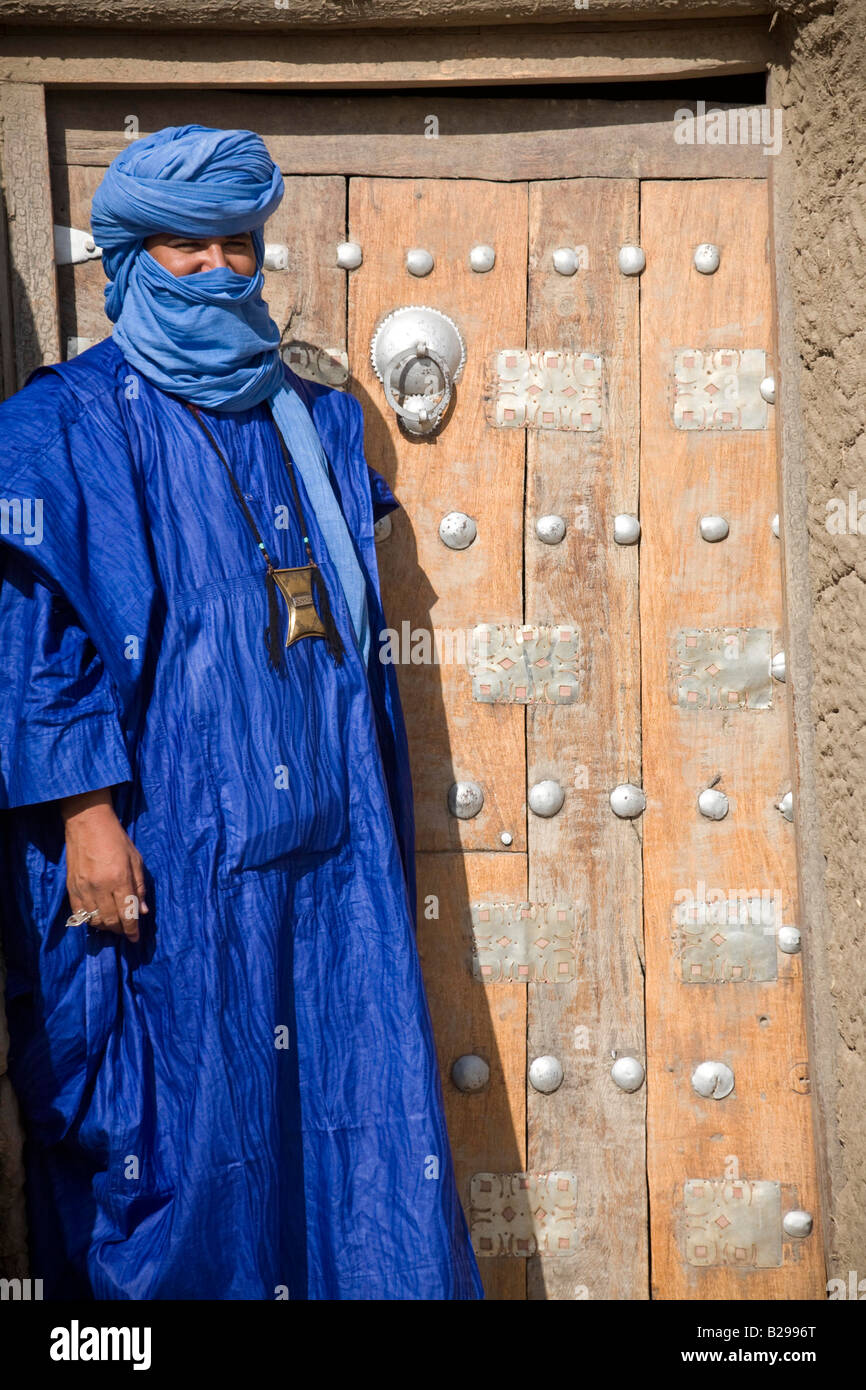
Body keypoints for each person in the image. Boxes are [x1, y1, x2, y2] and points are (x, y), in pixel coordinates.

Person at [0, 124, 483, 1301]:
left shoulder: (312, 419)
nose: (217, 271)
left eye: (236, 246)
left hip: (329, 858)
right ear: (124, 262)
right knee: (178, 1135)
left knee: (352, 1120)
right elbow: (36, 636)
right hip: (170, 846)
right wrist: (83, 816)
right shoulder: (63, 422)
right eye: (184, 249)